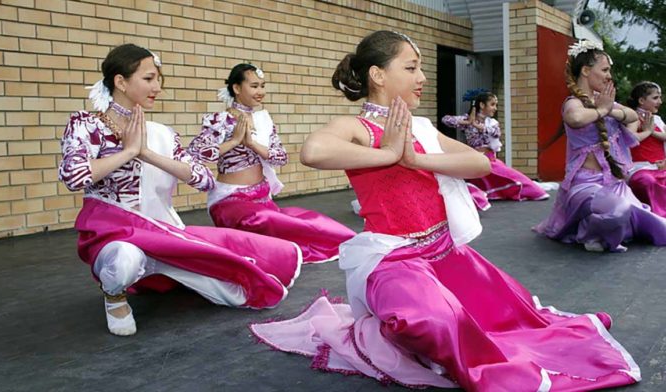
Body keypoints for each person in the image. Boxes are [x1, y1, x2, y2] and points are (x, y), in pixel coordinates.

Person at [250, 31, 639, 391]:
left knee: (516, 319)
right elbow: (313, 152)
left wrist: (415, 161)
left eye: (420, 67)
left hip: (444, 252)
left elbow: (481, 165)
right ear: (377, 75)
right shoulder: (355, 125)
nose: (421, 76)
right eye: (411, 67)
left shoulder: (419, 126)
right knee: (433, 323)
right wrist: (387, 153)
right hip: (393, 258)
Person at [59, 44, 302, 336]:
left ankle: (166, 270)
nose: (157, 87)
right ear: (120, 81)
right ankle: (114, 295)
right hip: (113, 234)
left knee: (235, 290)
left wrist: (147, 154)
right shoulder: (86, 125)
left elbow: (203, 179)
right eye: (149, 79)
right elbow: (73, 177)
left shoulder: (161, 133)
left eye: (159, 79)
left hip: (162, 232)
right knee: (125, 261)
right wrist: (128, 152)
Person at [187, 63, 355, 263]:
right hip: (230, 201)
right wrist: (233, 141)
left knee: (308, 222)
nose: (260, 92)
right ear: (237, 88)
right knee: (266, 222)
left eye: (262, 86)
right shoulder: (220, 120)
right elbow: (195, 155)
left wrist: (252, 144)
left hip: (262, 199)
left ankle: (352, 244)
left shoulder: (264, 120)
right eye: (254, 86)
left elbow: (280, 157)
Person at [534, 41, 666, 252]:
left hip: (613, 183)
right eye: (604, 70)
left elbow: (632, 115)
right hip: (585, 186)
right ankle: (587, 232)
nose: (608, 76)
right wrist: (602, 110)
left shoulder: (605, 101)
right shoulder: (573, 102)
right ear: (586, 71)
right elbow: (575, 118)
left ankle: (608, 228)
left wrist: (610, 110)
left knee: (658, 226)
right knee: (617, 211)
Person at [442, 91, 550, 201]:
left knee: (517, 180)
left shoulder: (492, 123)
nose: (495, 108)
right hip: (475, 161)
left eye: (496, 105)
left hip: (490, 160)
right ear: (482, 105)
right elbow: (445, 120)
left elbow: (496, 133)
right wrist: (467, 122)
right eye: (492, 104)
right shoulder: (468, 119)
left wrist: (482, 128)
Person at [624, 81, 666, 217]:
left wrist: (652, 131)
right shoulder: (633, 117)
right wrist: (647, 132)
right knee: (647, 181)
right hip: (640, 168)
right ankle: (655, 217)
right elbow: (630, 139)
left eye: (660, 97)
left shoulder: (657, 120)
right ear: (641, 100)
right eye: (655, 98)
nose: (660, 101)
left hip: (660, 167)